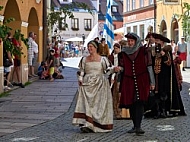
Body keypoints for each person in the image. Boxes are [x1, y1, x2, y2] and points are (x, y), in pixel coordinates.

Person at [114, 32, 155, 135]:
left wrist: (152, 82)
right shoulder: (123, 53)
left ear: (136, 41)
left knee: (139, 102)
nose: (130, 43)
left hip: (142, 79)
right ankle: (134, 125)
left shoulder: (144, 51)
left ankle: (138, 126)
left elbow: (149, 66)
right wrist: (119, 69)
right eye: (129, 41)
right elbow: (122, 67)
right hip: (128, 81)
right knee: (131, 103)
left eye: (132, 41)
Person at [72, 40, 114, 133]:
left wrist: (113, 70)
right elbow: (82, 71)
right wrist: (80, 78)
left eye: (91, 46)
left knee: (98, 104)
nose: (90, 48)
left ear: (96, 48)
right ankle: (87, 123)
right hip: (87, 83)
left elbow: (107, 70)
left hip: (99, 83)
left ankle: (97, 124)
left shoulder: (103, 59)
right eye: (89, 46)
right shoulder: (84, 59)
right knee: (87, 104)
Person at [145, 33, 186, 118]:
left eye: (158, 41)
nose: (156, 42)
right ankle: (157, 111)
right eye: (155, 41)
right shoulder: (153, 50)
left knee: (163, 94)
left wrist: (163, 55)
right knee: (156, 94)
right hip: (156, 77)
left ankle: (164, 110)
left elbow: (169, 63)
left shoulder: (166, 50)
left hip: (165, 77)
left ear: (162, 42)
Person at [108, 43, 122, 119]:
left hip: (120, 76)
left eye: (117, 48)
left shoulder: (122, 56)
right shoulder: (111, 57)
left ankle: (120, 111)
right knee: (114, 95)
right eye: (115, 48)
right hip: (113, 76)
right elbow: (109, 66)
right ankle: (115, 111)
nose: (116, 49)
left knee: (119, 94)